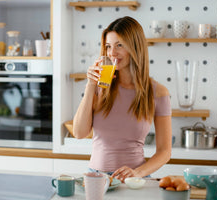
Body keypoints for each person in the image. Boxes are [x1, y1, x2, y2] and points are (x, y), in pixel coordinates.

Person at [73, 16, 172, 182]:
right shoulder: (100, 85)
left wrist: (138, 173)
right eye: (108, 46)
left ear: (135, 47)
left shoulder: (157, 92)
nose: (112, 53)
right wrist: (90, 85)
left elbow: (164, 151)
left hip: (134, 180)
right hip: (96, 178)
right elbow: (79, 133)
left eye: (119, 45)